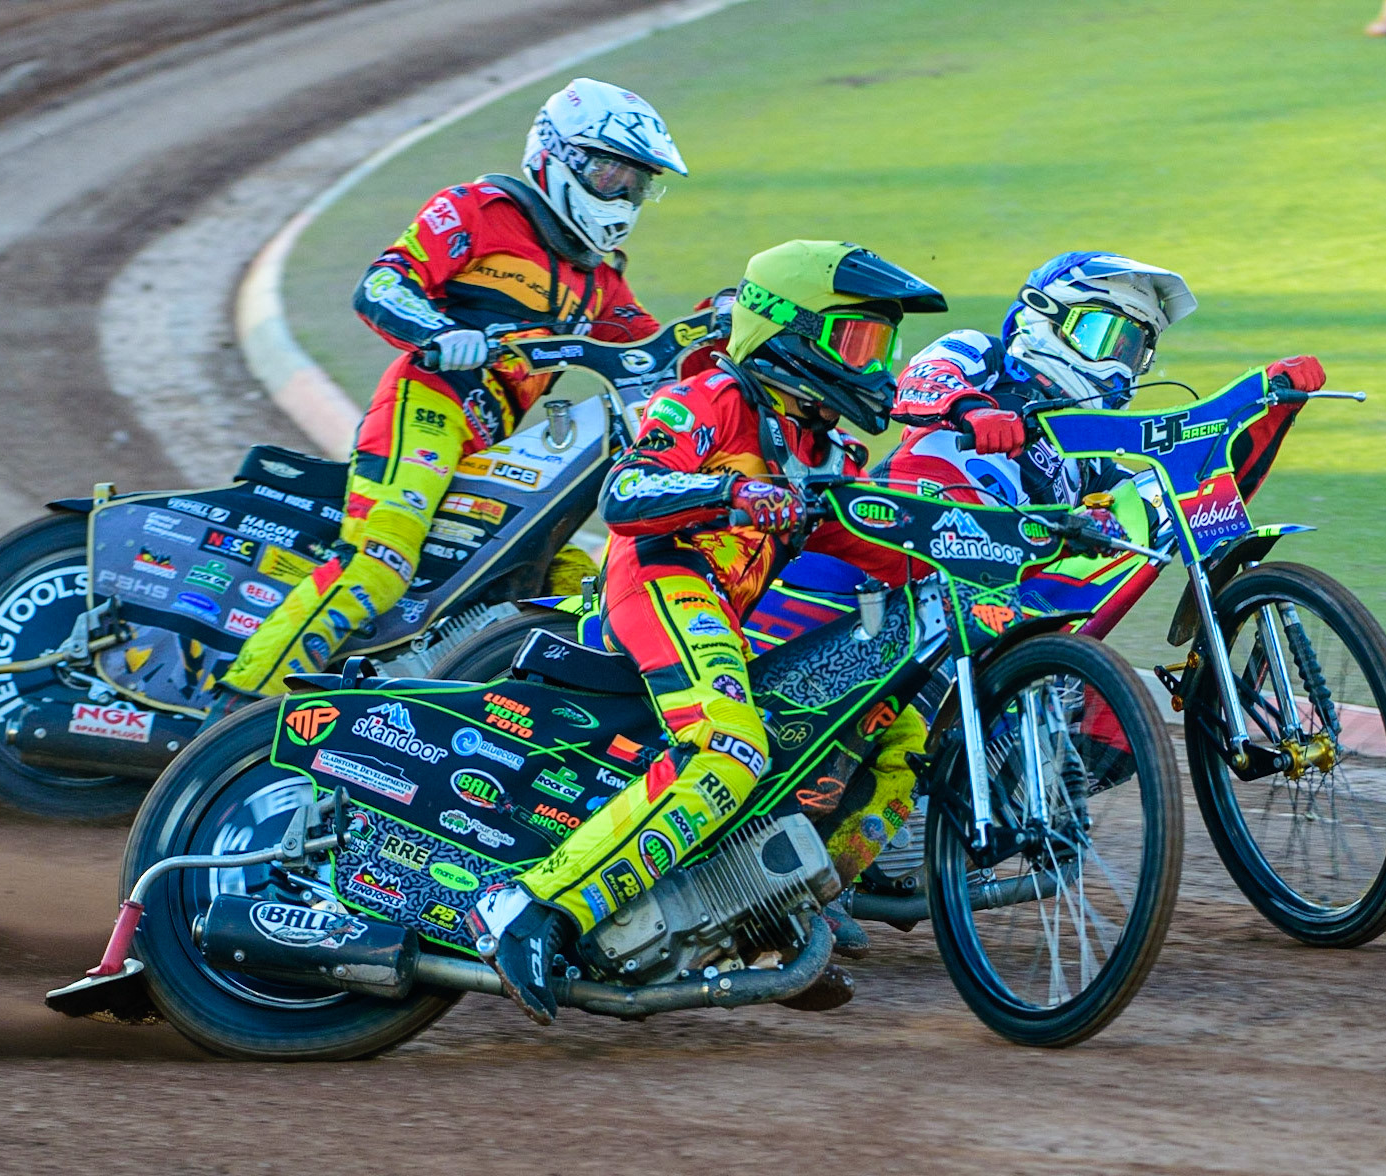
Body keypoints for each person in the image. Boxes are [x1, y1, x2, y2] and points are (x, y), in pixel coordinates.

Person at [467, 240, 948, 1025]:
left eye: (881, 344)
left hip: (717, 617)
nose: (876, 362)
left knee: (900, 737)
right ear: (788, 332)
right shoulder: (711, 396)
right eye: (856, 340)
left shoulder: (821, 447)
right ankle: (527, 908)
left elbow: (885, 545)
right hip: (661, 581)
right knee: (731, 750)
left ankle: (780, 908)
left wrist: (1019, 536)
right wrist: (733, 493)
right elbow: (627, 492)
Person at [219, 78, 688, 700]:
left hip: (500, 449)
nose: (623, 196)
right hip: (427, 406)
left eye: (637, 184)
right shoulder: (479, 209)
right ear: (560, 158)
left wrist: (726, 342)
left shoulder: (599, 279)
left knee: (574, 584)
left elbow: (649, 350)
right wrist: (441, 332)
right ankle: (236, 709)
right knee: (379, 563)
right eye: (611, 174)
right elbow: (383, 284)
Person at [877, 250, 1325, 531]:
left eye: (1133, 349)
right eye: (1103, 335)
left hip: (995, 596)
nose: (1117, 364)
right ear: (1043, 316)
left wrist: (1264, 412)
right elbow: (923, 377)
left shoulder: (1092, 462)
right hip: (893, 533)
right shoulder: (988, 355)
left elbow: (1187, 503)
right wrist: (975, 412)